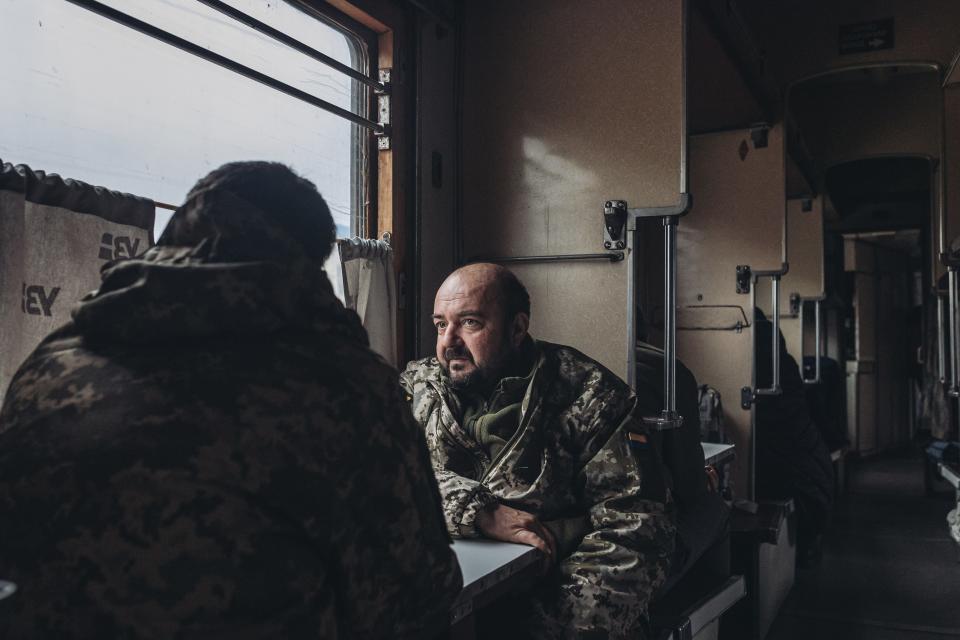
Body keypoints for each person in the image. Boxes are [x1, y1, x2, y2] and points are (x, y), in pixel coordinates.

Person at [0, 162, 461, 638]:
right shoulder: (344, 388)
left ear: (182, 227)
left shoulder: (51, 359)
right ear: (307, 264)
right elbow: (416, 601)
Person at [401, 263, 675, 639]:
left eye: (469, 323)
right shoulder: (417, 388)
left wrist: (545, 630)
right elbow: (370, 478)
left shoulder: (590, 396)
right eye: (439, 324)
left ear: (517, 328)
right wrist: (479, 511)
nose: (448, 341)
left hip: (555, 612)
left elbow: (637, 534)